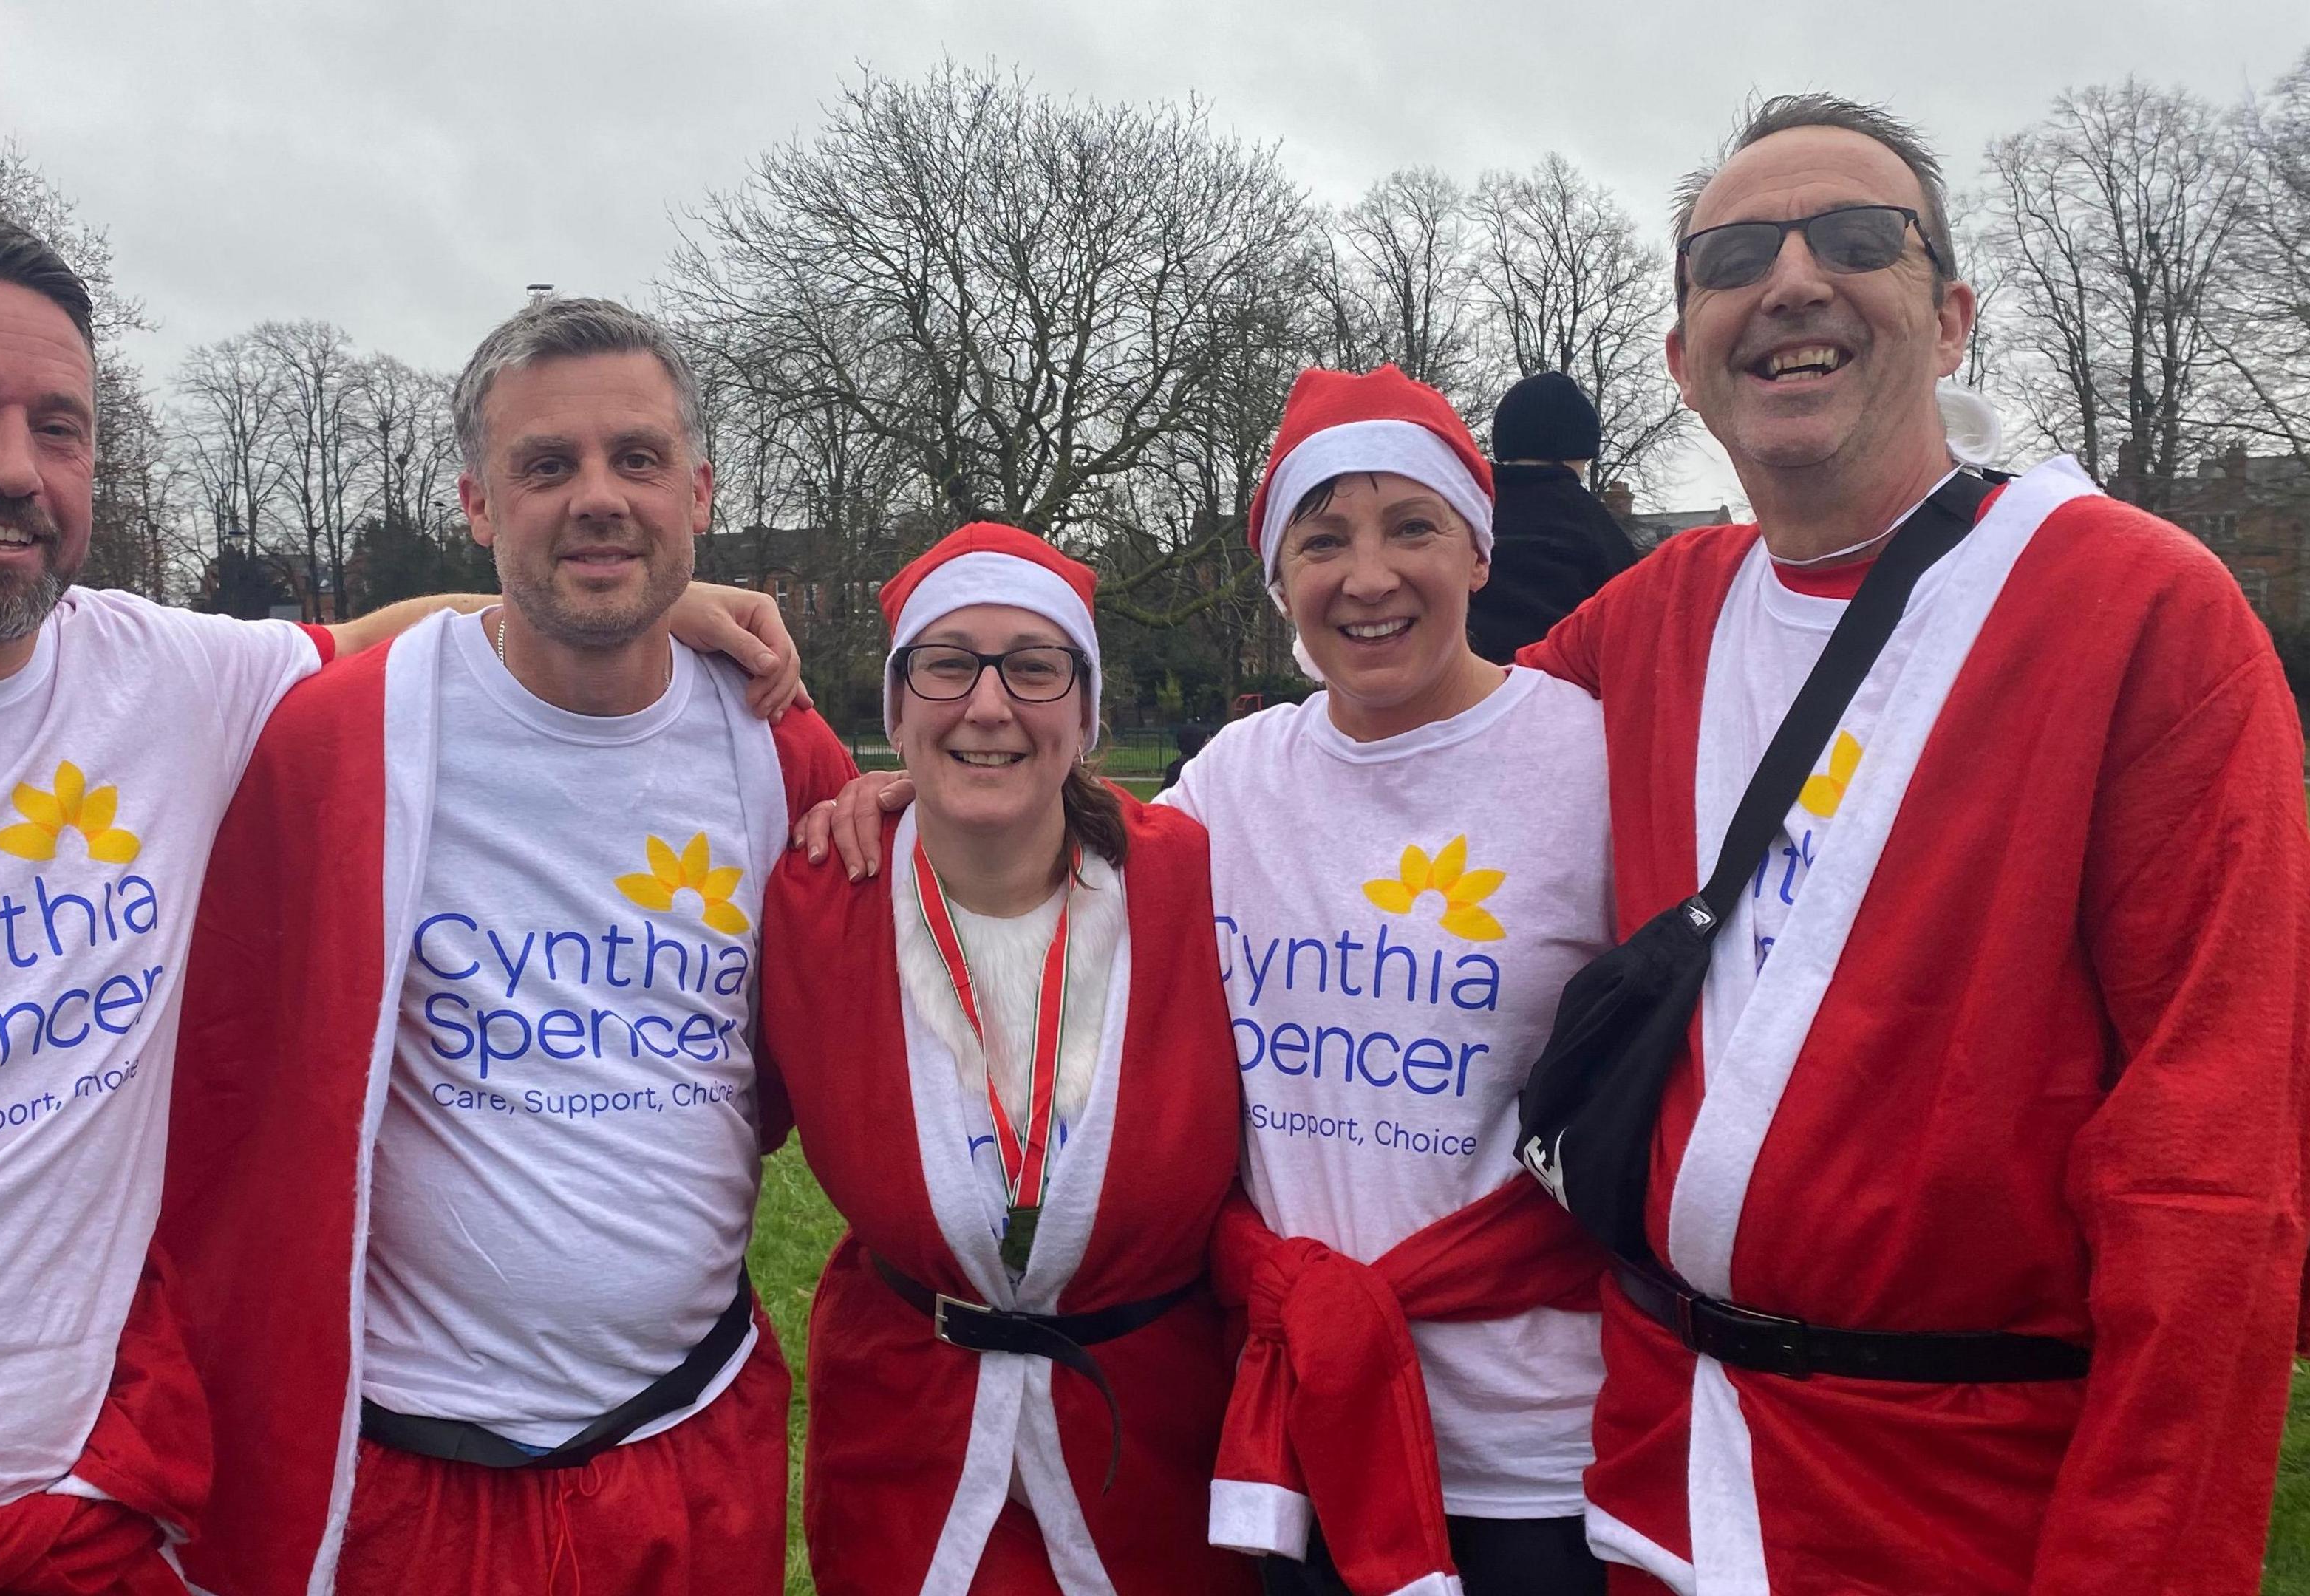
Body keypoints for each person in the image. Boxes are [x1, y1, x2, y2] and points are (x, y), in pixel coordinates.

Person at [0, 214, 794, 1596]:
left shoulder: (163, 684)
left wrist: (650, 595)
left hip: (80, 1524)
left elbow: (388, 644)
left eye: (60, 426)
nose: (12, 469)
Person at [1516, 94, 2310, 1592]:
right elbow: (1401, 761)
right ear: (1685, 363)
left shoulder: (2140, 613)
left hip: (1961, 1515)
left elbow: (2217, 1186)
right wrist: (982, 796)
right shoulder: (1655, 612)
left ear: (1949, 319)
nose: (1795, 279)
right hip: (1656, 1485)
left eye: (1858, 239)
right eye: (1736, 253)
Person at [800, 371, 1615, 1596]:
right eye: (1323, 538)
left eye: (1413, 528)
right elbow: (1043, 830)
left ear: (1479, 549)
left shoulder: (1589, 762)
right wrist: (933, 776)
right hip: (1281, 1427)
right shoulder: (1236, 783)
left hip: (1530, 1454)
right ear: (1280, 575)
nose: (1369, 575)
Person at [142, 296, 857, 1596]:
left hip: (687, 1442)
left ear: (698, 492)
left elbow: (851, 1041)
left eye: (636, 460)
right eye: (548, 466)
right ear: (477, 503)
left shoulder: (781, 745)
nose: (598, 497)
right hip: (412, 1481)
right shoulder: (334, 737)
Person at [757, 523, 1253, 1596]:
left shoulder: (1198, 882)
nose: (988, 705)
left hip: (1155, 1464)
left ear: (1086, 714)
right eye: (946, 665)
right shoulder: (813, 896)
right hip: (908, 1456)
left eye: (1035, 666)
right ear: (894, 712)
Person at [1465, 372, 1637, 664]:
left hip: (1467, 682)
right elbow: (1630, 614)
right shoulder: (1592, 524)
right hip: (1562, 683)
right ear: (1577, 450)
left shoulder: (1468, 510)